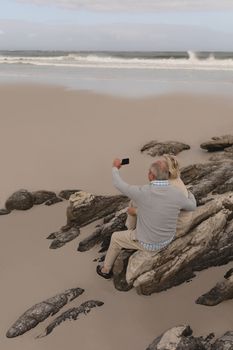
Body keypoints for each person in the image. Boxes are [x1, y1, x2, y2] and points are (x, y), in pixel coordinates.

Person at [96, 158, 196, 279]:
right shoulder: (176, 193)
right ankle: (131, 229)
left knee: (115, 237)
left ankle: (105, 270)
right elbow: (192, 206)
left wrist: (115, 167)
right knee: (144, 210)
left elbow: (118, 183)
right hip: (167, 238)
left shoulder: (143, 192)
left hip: (149, 243)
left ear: (151, 176)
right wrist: (189, 194)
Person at [125, 154, 191, 231]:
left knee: (135, 202)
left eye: (161, 163)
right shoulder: (174, 178)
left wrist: (135, 211)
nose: (158, 163)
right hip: (181, 220)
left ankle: (130, 230)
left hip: (175, 225)